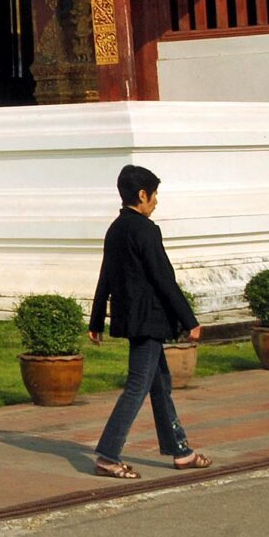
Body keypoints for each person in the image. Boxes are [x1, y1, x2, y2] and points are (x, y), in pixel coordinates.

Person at [88, 163, 211, 479]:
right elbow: (163, 278)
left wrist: (96, 320)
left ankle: (180, 451)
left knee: (160, 385)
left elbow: (106, 277)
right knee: (137, 386)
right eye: (154, 195)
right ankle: (107, 455)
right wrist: (189, 320)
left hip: (132, 318)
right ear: (142, 195)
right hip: (150, 320)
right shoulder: (145, 230)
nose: (156, 202)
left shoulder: (116, 229)